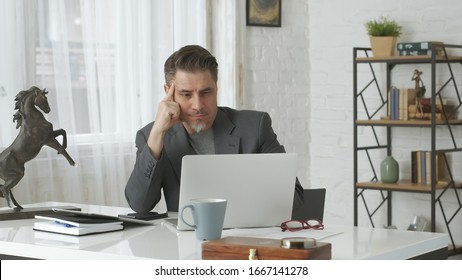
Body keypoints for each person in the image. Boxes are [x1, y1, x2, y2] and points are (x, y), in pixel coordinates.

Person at [124, 45, 304, 213]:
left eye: (206, 92)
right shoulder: (151, 136)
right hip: (185, 242)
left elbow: (295, 200)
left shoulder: (255, 126)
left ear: (216, 89)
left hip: (248, 238)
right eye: (186, 94)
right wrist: (158, 133)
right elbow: (140, 205)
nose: (198, 105)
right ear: (168, 92)